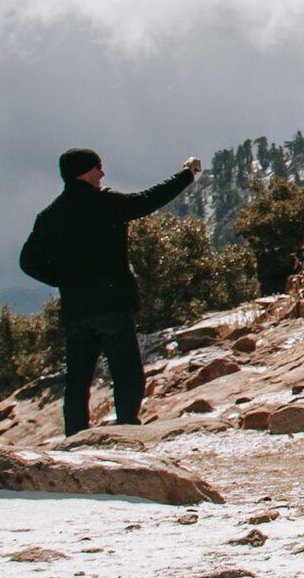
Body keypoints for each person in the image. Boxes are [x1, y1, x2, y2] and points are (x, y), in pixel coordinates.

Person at [19, 147, 200, 436]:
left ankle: (75, 436)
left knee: (77, 379)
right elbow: (148, 200)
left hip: (76, 309)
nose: (102, 173)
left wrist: (62, 281)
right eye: (98, 167)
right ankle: (126, 429)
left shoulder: (49, 216)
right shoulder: (105, 203)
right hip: (112, 303)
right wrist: (186, 175)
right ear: (84, 172)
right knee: (126, 372)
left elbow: (28, 262)